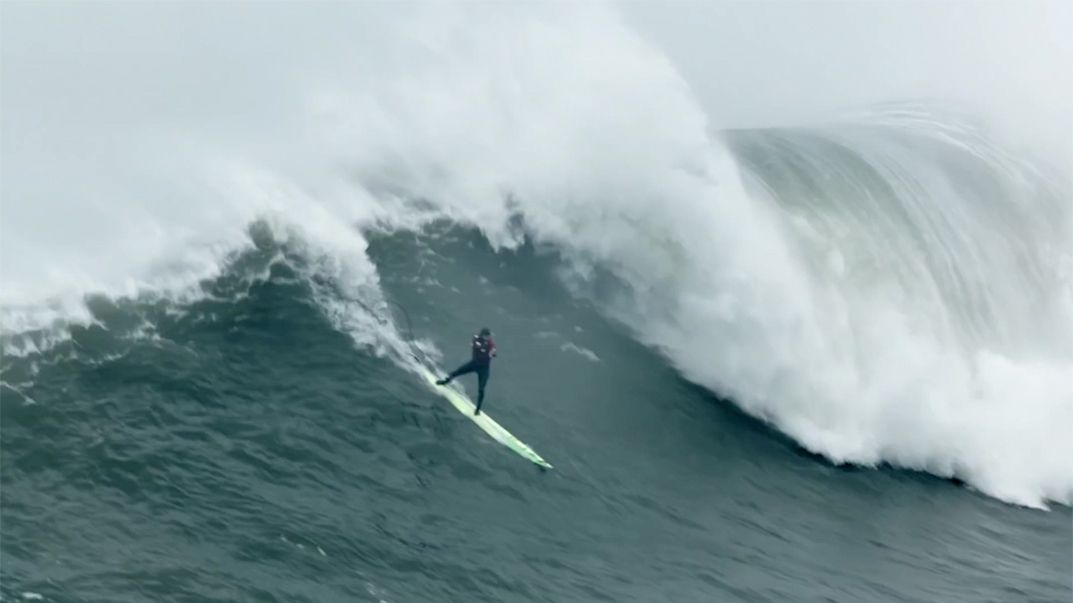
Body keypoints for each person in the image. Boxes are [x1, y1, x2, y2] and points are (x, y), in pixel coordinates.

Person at [436, 327, 497, 415]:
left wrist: (492, 352)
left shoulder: (490, 342)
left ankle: (478, 409)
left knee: (481, 389)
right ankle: (445, 382)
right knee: (456, 372)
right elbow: (474, 345)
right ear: (483, 335)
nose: (490, 337)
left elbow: (493, 348)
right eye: (488, 336)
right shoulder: (476, 338)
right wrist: (484, 349)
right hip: (473, 365)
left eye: (489, 336)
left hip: (484, 369)